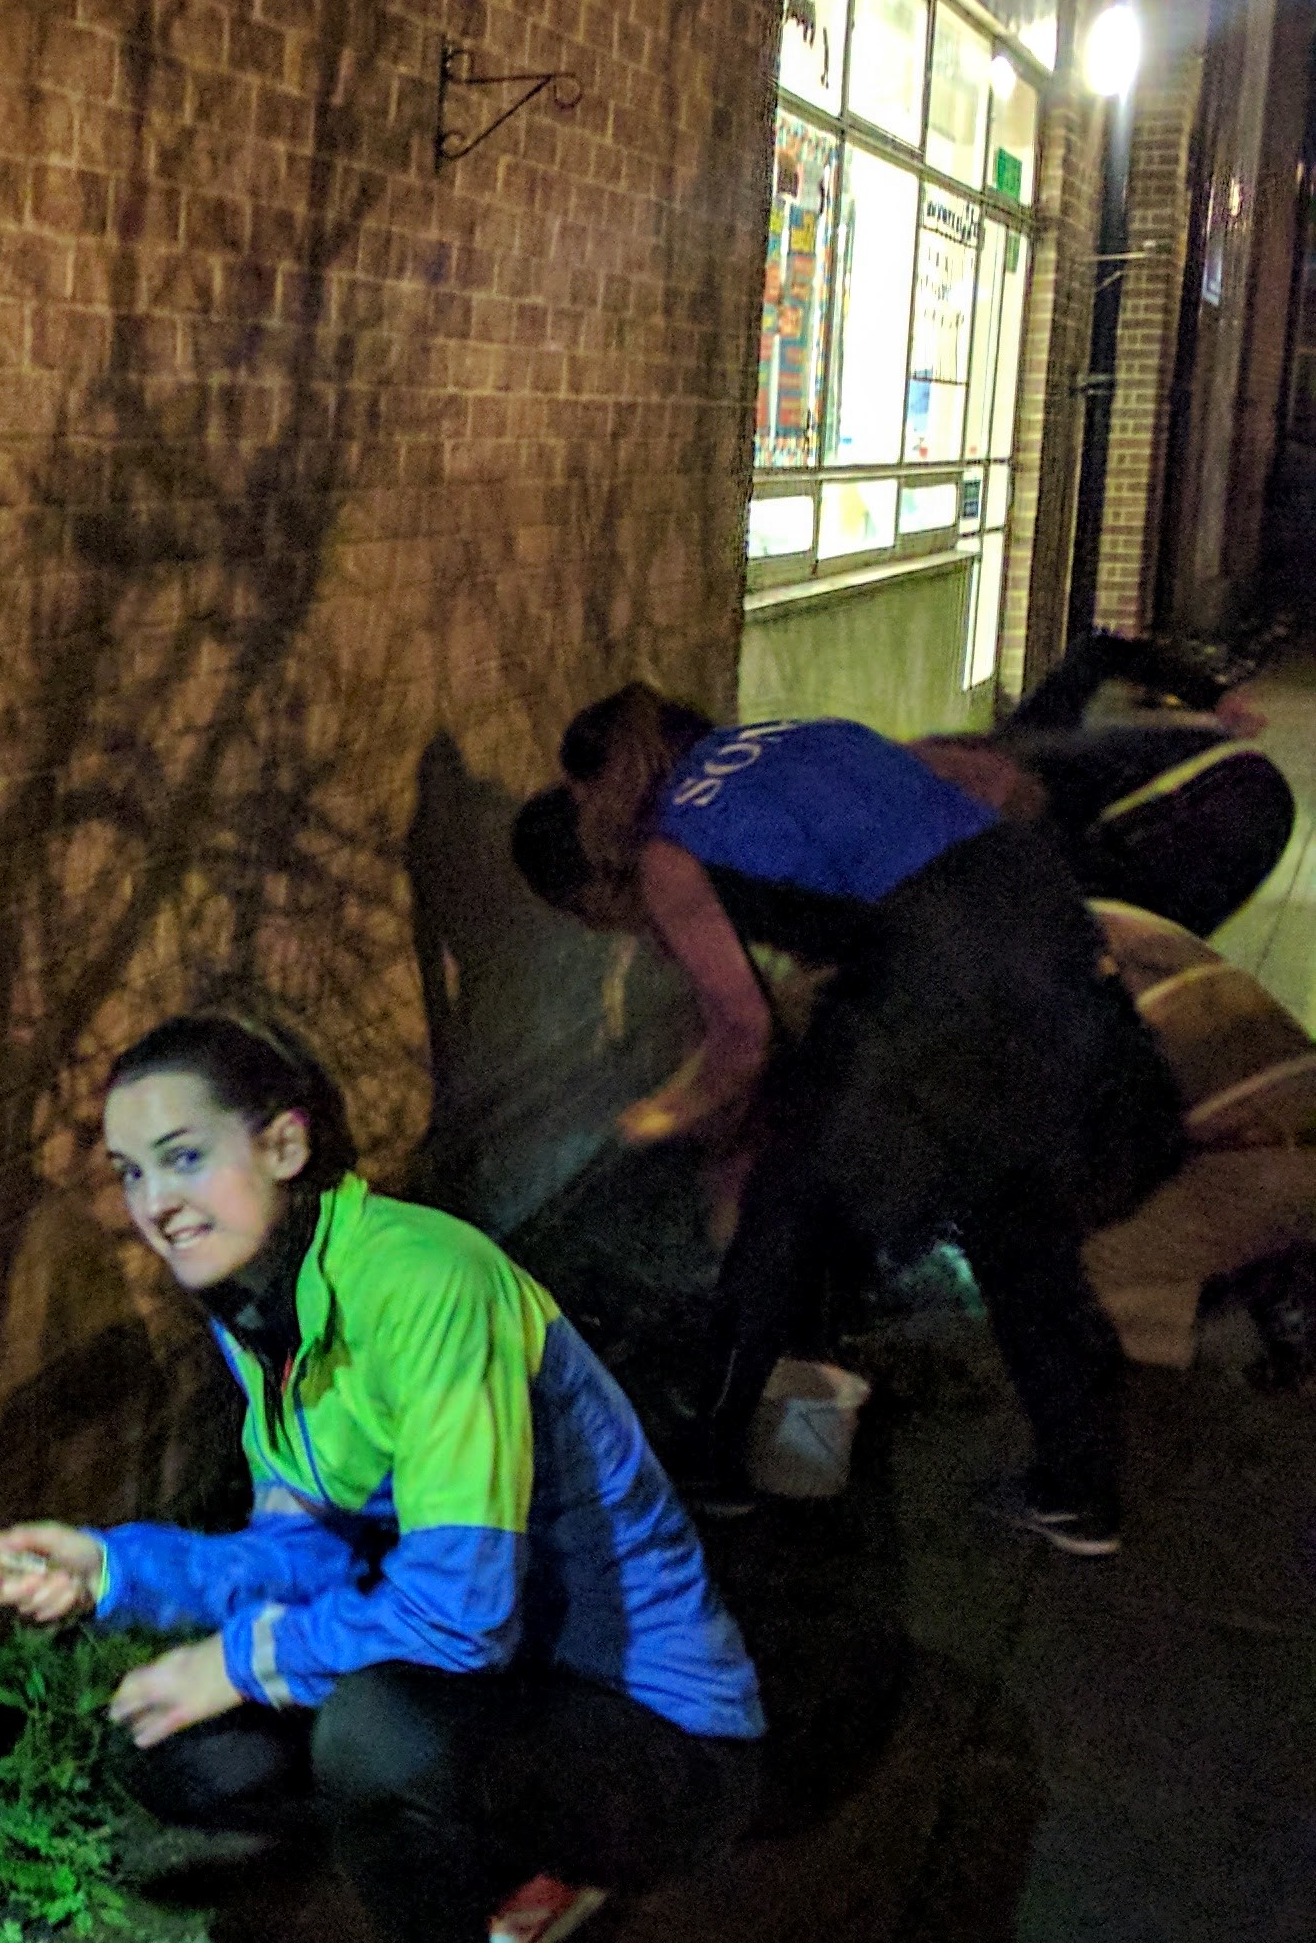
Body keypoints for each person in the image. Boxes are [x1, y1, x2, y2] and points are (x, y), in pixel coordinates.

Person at [0, 1013, 761, 1943]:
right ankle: (510, 1878)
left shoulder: (424, 1282)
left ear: (285, 1145)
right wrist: (114, 1571)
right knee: (187, 1754)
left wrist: (242, 1660)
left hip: (661, 1740)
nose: (155, 1203)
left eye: (185, 1157)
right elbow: (306, 1553)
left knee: (377, 1731)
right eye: (130, 1173)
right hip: (513, 1700)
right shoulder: (261, 1312)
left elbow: (459, 1612)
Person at [513, 690, 1181, 1557]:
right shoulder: (799, 737)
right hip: (1048, 925)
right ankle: (1078, 1487)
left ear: (608, 787)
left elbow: (741, 1037)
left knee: (784, 1204)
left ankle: (715, 1460)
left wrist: (654, 1115)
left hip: (937, 985)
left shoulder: (670, 850)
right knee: (1013, 1216)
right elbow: (994, 780)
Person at [917, 631, 1294, 939]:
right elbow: (1098, 652)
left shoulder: (1031, 744)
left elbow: (1099, 651)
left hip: (1229, 799)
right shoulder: (1031, 844)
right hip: (1205, 810)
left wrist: (1214, 696)